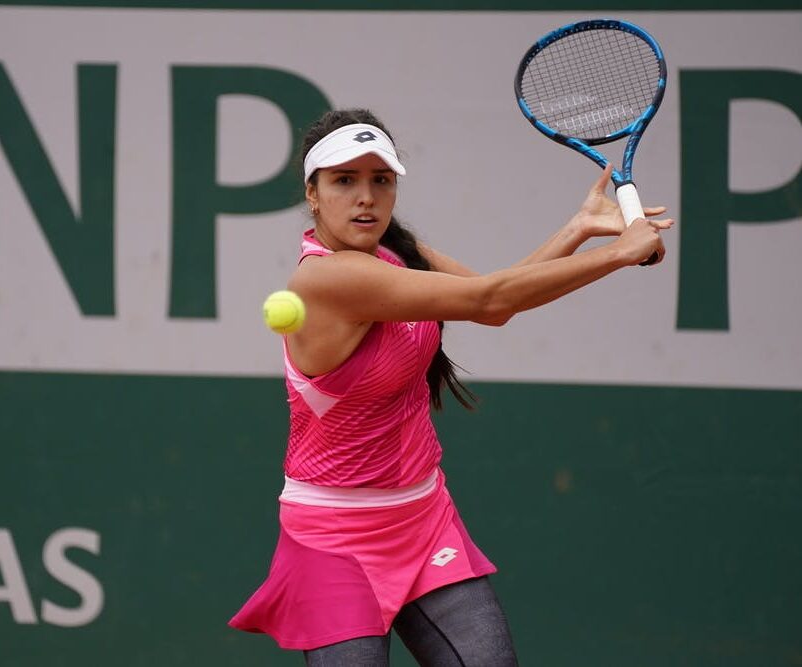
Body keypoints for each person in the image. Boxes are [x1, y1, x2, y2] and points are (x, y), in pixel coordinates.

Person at [229, 108, 672, 666]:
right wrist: (619, 252)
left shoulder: (398, 256)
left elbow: (495, 302)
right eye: (344, 181)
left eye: (380, 180)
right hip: (333, 540)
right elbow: (491, 300)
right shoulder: (327, 277)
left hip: (421, 518)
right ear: (312, 195)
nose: (365, 197)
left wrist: (580, 228)